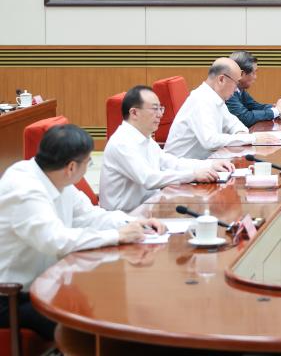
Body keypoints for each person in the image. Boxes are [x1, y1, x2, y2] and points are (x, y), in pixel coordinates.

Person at [0, 124, 165, 341]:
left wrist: (134, 222)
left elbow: (90, 215)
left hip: (47, 284)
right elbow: (56, 240)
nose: (88, 168)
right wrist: (117, 236)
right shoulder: (24, 189)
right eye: (88, 162)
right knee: (89, 330)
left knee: (109, 310)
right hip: (11, 298)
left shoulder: (56, 177)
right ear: (71, 167)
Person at [100, 85, 235, 212]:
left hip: (149, 207)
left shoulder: (144, 138)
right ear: (134, 113)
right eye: (154, 109)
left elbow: (171, 163)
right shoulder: (122, 143)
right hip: (126, 217)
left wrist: (210, 165)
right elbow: (149, 179)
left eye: (161, 109)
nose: (160, 114)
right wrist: (193, 175)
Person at [164, 58, 280, 159]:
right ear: (221, 79)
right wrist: (252, 139)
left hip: (204, 164)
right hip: (180, 170)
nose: (236, 90)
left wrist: (241, 134)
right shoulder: (201, 100)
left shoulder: (215, 98)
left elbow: (234, 123)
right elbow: (210, 141)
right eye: (236, 83)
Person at [225, 50, 281, 127]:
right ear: (241, 74)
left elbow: (255, 106)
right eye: (254, 72)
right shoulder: (227, 91)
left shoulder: (239, 89)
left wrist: (276, 107)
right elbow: (245, 118)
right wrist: (276, 111)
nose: (255, 77)